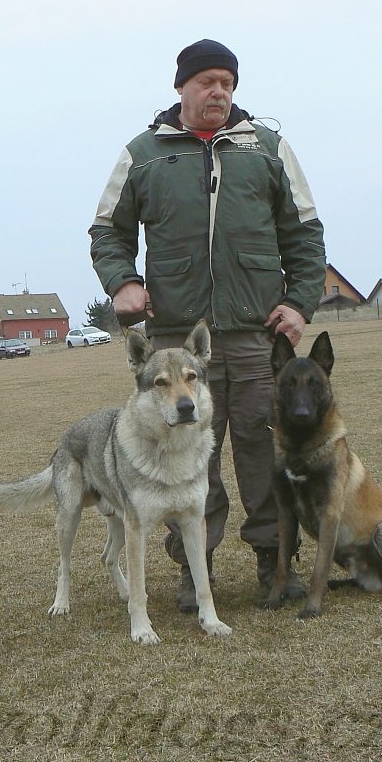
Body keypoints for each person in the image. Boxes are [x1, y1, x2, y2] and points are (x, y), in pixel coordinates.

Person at [89, 39, 326, 611]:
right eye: (207, 82)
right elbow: (106, 231)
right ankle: (195, 572)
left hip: (253, 336)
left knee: (261, 452)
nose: (218, 91)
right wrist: (122, 281)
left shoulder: (267, 149)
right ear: (181, 87)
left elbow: (306, 233)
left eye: (228, 83)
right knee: (184, 457)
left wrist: (299, 303)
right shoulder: (143, 154)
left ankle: (277, 563)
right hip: (176, 342)